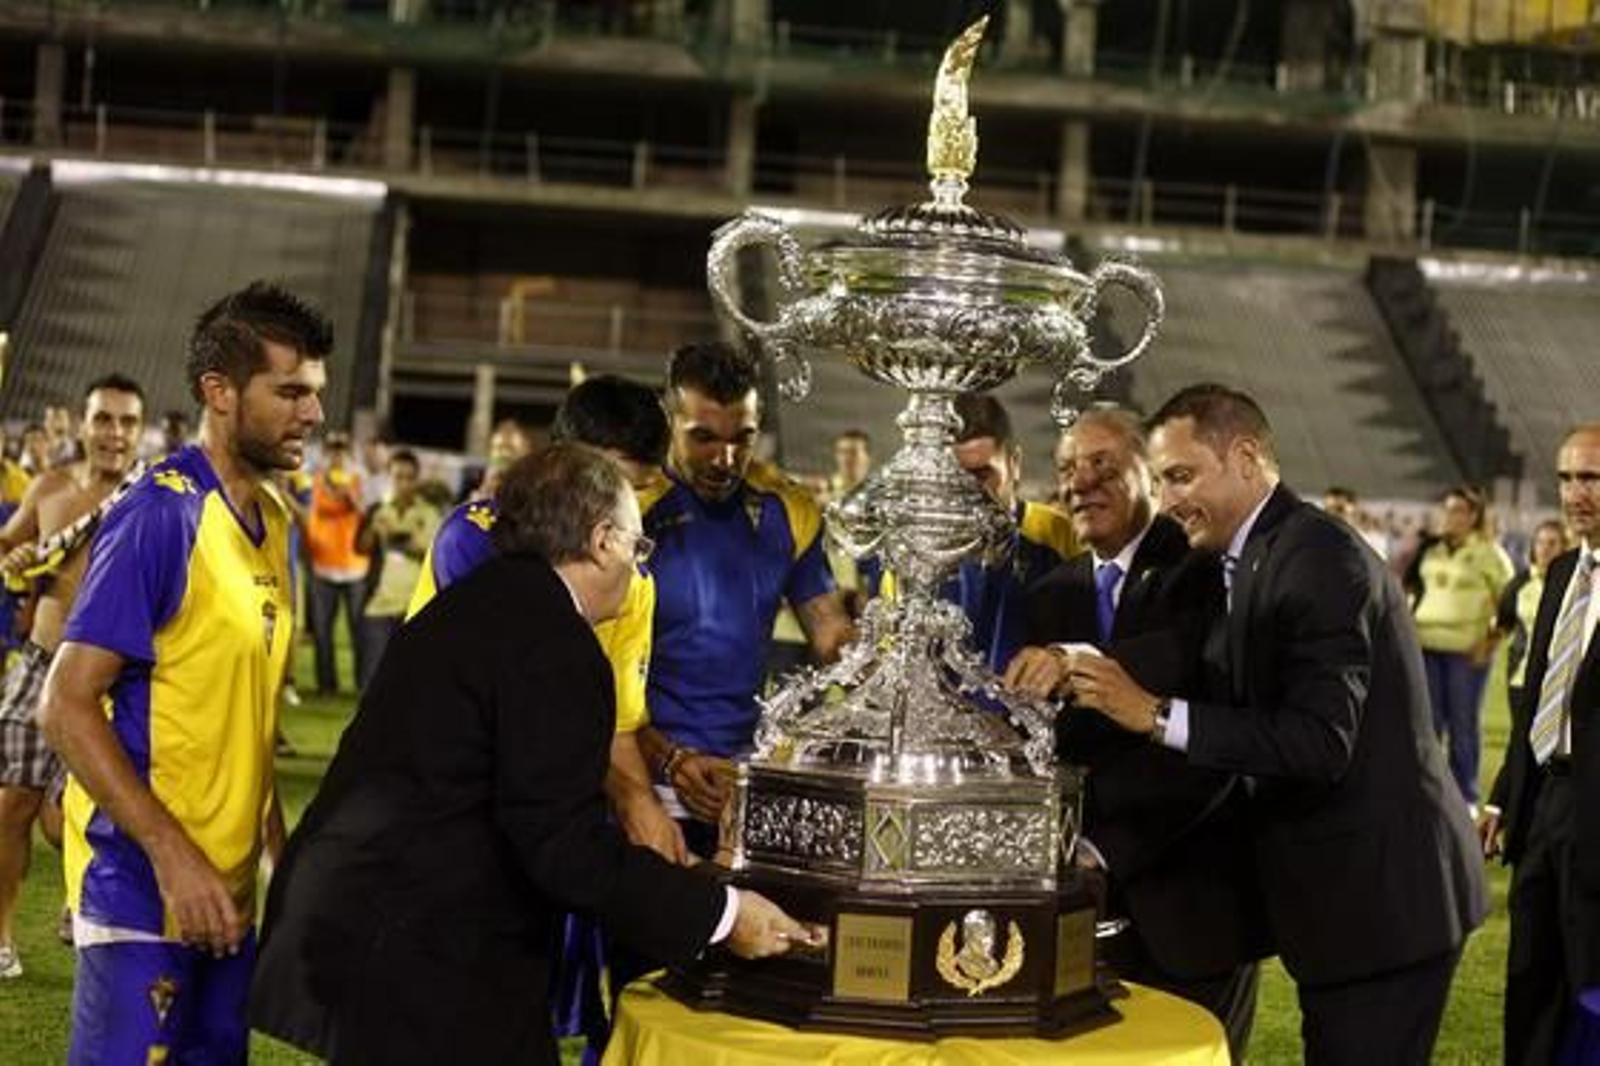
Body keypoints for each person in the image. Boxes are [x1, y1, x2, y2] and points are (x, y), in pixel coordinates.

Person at [248, 444, 817, 1065]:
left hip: (373, 928)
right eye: (637, 545)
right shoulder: (556, 643)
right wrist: (723, 915)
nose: (637, 565)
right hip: (421, 950)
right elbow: (562, 848)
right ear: (602, 541)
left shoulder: (481, 602)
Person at [1063, 383, 1487, 1065]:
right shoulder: (1254, 553)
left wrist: (1153, 714)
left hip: (1383, 906)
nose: (1169, 500)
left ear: (1247, 457)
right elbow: (1205, 659)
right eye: (1164, 479)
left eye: (1182, 475)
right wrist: (1079, 664)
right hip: (1344, 904)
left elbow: (1320, 743)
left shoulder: (1316, 556)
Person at [37, 281, 329, 1063]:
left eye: (317, 393)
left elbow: (246, 718)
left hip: (226, 900)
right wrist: (174, 856)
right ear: (220, 393)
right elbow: (64, 706)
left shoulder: (273, 523)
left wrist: (277, 861)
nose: (313, 414)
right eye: (292, 391)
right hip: (142, 889)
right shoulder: (161, 513)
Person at [1001, 406, 1264, 1059]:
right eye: (1067, 469)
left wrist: (1103, 848)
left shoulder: (1206, 569)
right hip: (1088, 903)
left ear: (1151, 473)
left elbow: (1214, 737)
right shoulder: (1051, 590)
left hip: (1192, 901)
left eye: (1102, 465)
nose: (1080, 483)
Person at [633, 342, 852, 853]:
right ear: (669, 420)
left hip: (742, 780)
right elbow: (589, 677)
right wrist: (666, 760)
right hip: (644, 780)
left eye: (743, 439)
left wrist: (886, 655)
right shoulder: (628, 509)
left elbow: (830, 633)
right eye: (703, 438)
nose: (725, 459)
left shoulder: (788, 507)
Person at [0, 374, 146, 980]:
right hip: (38, 666)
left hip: (109, 680)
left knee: (74, 822)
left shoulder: (153, 499)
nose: (114, 433)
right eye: (104, 419)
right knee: (10, 807)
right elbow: (8, 545)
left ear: (141, 431)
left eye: (127, 422)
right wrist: (13, 558)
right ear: (82, 424)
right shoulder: (50, 486)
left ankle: (76, 896)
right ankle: (2, 938)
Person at [1481, 426, 1600, 1065]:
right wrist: (1503, 798)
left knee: (1590, 985)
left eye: (1592, 479)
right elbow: (1534, 699)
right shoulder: (1559, 574)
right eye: (1566, 478)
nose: (1576, 493)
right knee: (1530, 978)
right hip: (1543, 806)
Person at [933, 392, 1077, 673]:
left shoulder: (1059, 535)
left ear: (1015, 463)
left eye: (983, 474)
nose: (971, 492)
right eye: (957, 477)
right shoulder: (921, 549)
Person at [1410, 485, 1515, 810]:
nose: (1451, 516)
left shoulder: (1491, 553)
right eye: (1448, 509)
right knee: (1427, 724)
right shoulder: (1430, 550)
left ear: (1473, 515)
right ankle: (1425, 791)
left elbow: (1509, 605)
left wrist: (1491, 642)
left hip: (1466, 653)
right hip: (1425, 648)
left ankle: (1465, 797)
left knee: (1463, 724)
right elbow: (1412, 591)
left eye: (1458, 510)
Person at [354, 448, 439, 688]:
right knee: (371, 679)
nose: (403, 483)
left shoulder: (428, 513)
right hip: (380, 604)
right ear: (389, 478)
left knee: (409, 681)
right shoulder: (380, 510)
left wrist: (399, 537)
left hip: (414, 607)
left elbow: (432, 552)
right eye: (397, 477)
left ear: (417, 480)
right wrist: (374, 526)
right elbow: (362, 547)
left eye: (409, 477)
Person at [304, 431, 369, 695]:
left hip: (354, 567)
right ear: (326, 453)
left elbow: (368, 516)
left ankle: (363, 685)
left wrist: (350, 496)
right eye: (333, 450)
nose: (337, 455)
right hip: (322, 564)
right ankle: (326, 685)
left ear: (349, 454)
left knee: (359, 632)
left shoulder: (358, 480)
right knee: (321, 632)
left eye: (341, 450)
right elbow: (309, 516)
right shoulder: (315, 481)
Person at [1494, 519, 1570, 717]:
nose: (1545, 549)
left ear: (1565, 547)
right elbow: (1503, 624)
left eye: (1552, 543)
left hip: (1563, 680)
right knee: (1521, 742)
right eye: (1540, 542)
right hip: (1522, 678)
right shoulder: (1518, 585)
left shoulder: (1577, 584)